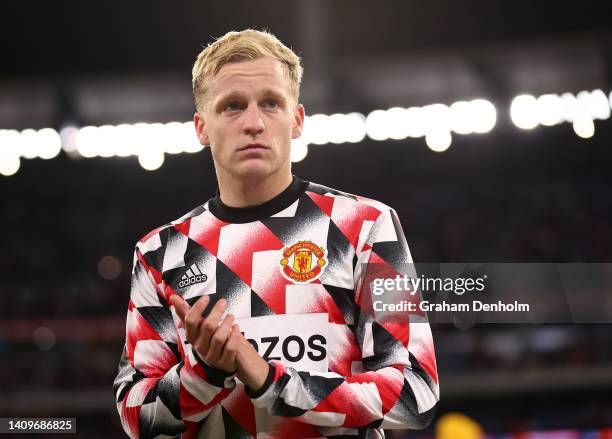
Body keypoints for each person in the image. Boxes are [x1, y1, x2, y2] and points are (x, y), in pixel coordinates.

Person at [113, 29, 439, 439]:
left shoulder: (365, 225)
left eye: (271, 103)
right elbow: (133, 413)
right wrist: (205, 374)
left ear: (297, 119)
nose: (253, 122)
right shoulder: (161, 252)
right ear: (201, 127)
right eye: (232, 106)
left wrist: (272, 382)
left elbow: (416, 393)